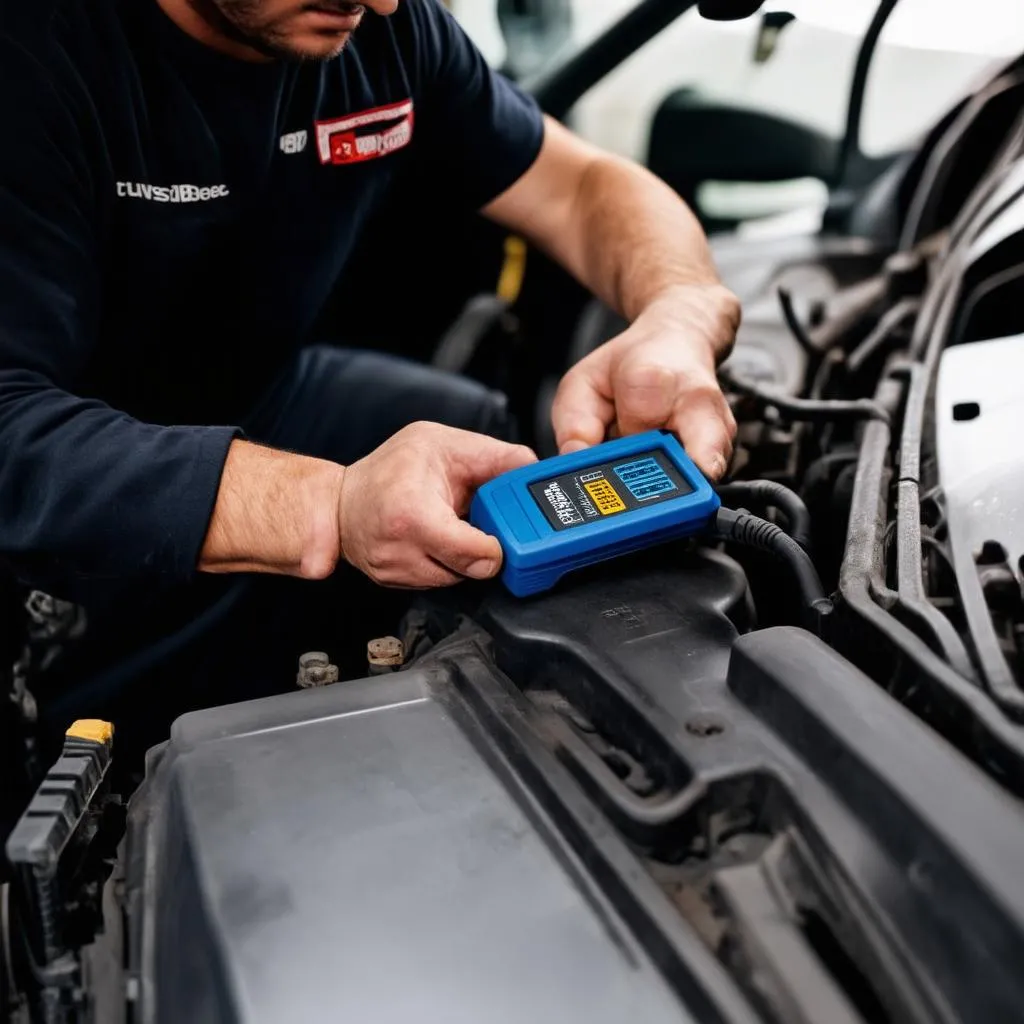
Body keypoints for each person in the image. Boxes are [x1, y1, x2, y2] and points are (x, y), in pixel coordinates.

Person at [0, 0, 739, 747]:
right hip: (64, 478)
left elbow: (581, 188)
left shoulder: (385, 29)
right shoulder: (35, 57)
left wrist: (679, 310)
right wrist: (328, 503)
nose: (381, 2)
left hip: (263, 397)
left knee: (481, 444)